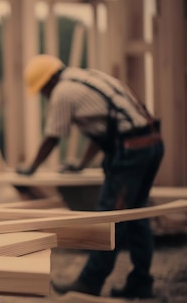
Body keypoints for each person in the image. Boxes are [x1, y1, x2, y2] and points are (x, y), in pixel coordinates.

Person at [16, 54, 164, 299]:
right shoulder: (84, 77)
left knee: (110, 218)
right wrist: (82, 164)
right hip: (150, 144)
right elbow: (103, 128)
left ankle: (90, 283)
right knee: (137, 215)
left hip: (132, 151)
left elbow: (53, 136)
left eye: (42, 91)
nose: (45, 96)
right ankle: (141, 282)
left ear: (48, 81)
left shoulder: (62, 91)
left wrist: (31, 168)